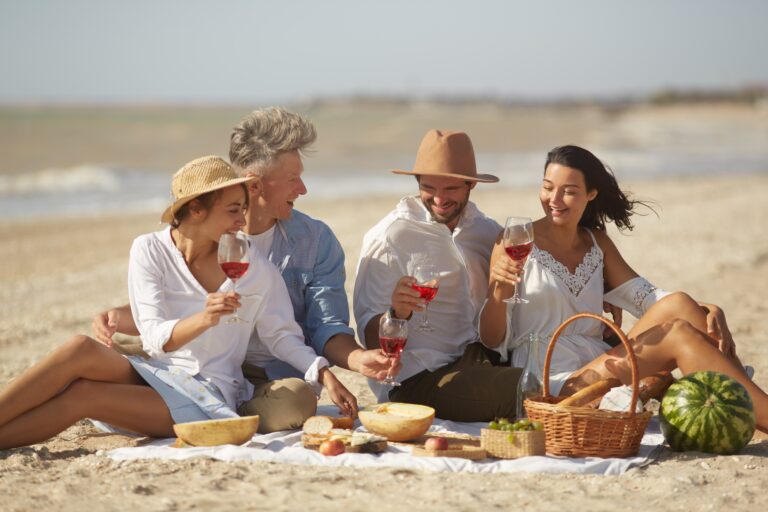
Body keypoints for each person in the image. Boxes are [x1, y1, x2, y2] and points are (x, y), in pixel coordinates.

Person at [0, 156, 353, 450]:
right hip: (157, 372)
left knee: (82, 395)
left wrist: (322, 372)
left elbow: (282, 336)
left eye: (243, 209)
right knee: (79, 347)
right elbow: (152, 337)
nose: (241, 221)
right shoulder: (149, 250)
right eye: (233, 210)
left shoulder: (252, 267)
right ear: (196, 210)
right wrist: (205, 318)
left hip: (206, 396)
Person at [93, 107, 395, 431]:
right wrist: (122, 315)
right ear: (254, 185)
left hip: (268, 373)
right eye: (293, 179)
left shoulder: (316, 242)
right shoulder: (205, 234)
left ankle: (173, 398)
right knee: (108, 350)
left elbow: (326, 326)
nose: (303, 189)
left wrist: (356, 359)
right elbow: (185, 302)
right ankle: (157, 389)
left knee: (294, 401)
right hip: (197, 357)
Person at [478, 145, 767, 431]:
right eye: (547, 187)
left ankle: (747, 398)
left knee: (679, 303)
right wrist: (498, 290)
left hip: (599, 363)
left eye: (568, 190)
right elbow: (492, 340)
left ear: (591, 194)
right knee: (678, 335)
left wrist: (709, 308)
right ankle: (754, 406)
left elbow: (649, 298)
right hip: (556, 380)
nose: (554, 199)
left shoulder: (597, 242)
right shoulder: (516, 240)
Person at [353, 129, 522, 422]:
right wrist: (397, 313)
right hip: (417, 380)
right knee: (530, 388)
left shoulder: (485, 231)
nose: (439, 199)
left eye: (452, 189)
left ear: (471, 185)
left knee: (555, 370)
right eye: (429, 187)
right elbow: (369, 338)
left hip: (483, 360)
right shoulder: (390, 236)